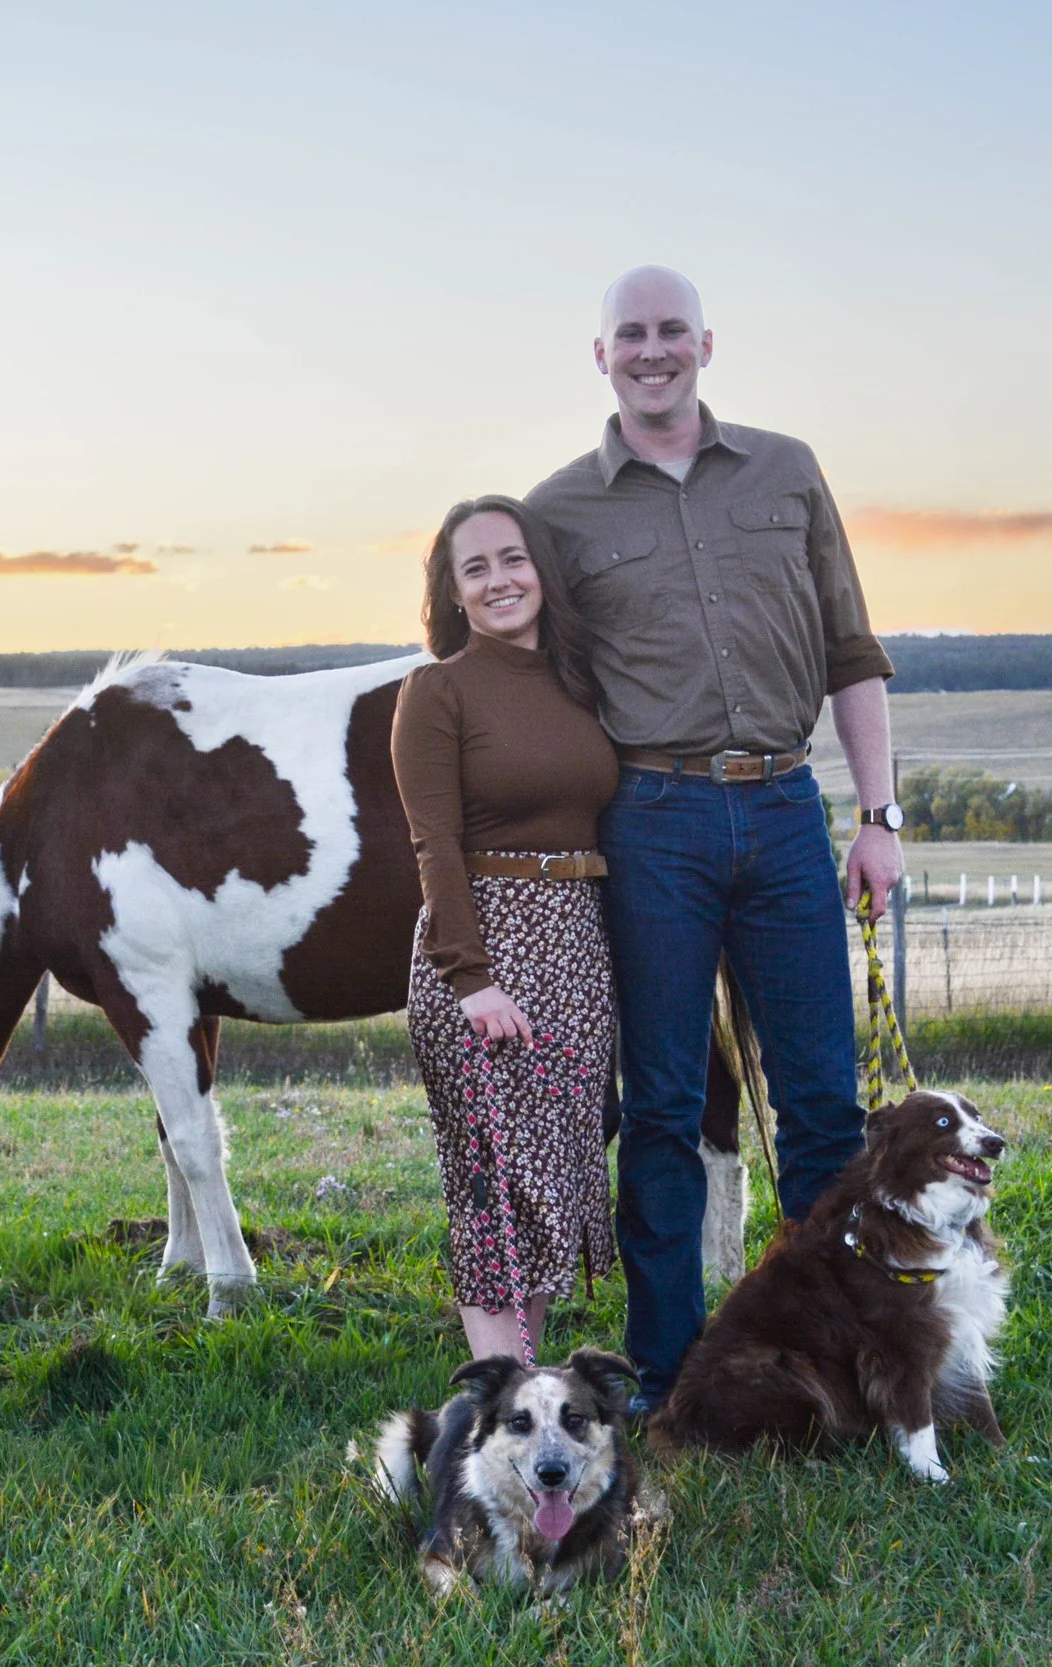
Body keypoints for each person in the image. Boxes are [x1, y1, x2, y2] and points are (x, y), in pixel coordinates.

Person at [524, 265, 906, 1409]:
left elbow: (851, 650)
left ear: (706, 343)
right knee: (659, 1108)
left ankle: (843, 1345)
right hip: (653, 823)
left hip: (788, 809)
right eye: (629, 335)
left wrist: (876, 817)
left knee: (824, 1100)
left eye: (671, 331)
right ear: (599, 355)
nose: (652, 350)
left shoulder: (786, 470)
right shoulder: (556, 512)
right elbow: (542, 690)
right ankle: (673, 1368)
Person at [393, 495, 621, 1365]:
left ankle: (527, 1379)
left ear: (542, 570)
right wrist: (470, 976)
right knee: (496, 1176)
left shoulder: (581, 682)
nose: (499, 581)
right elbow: (433, 842)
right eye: (475, 568)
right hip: (486, 949)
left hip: (575, 945)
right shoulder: (438, 690)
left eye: (513, 559)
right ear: (451, 592)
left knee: (556, 1174)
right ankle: (501, 1393)